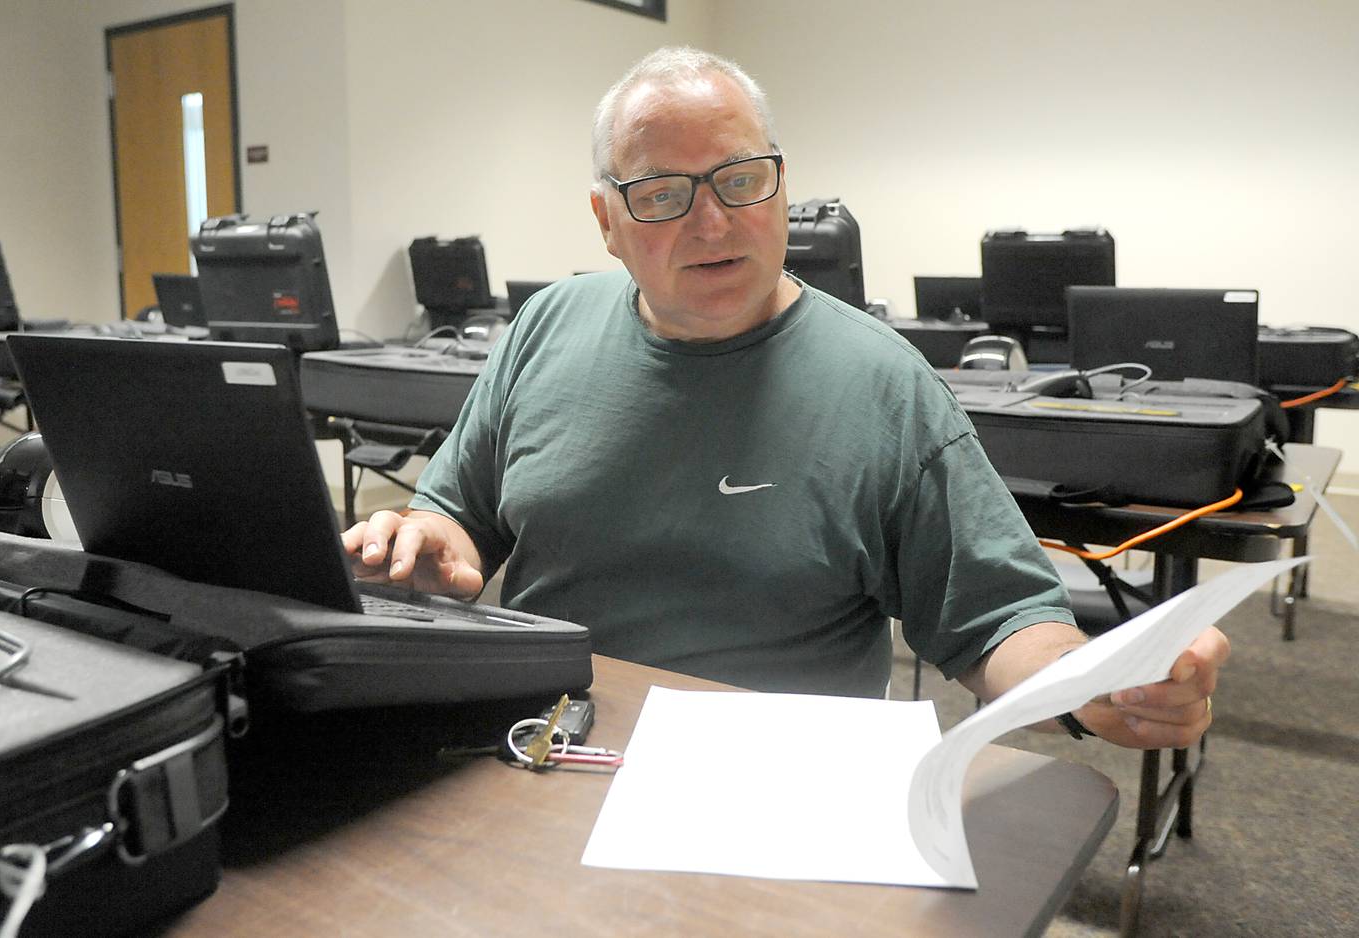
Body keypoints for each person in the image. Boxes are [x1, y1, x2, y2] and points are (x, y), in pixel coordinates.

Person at [344, 46, 1227, 749]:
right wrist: (424, 541)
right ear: (606, 221)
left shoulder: (881, 383)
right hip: (551, 746)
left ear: (781, 186)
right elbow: (455, 513)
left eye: (739, 179)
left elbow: (997, 619)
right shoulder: (545, 327)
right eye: (661, 193)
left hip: (774, 783)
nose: (713, 221)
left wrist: (1097, 685)